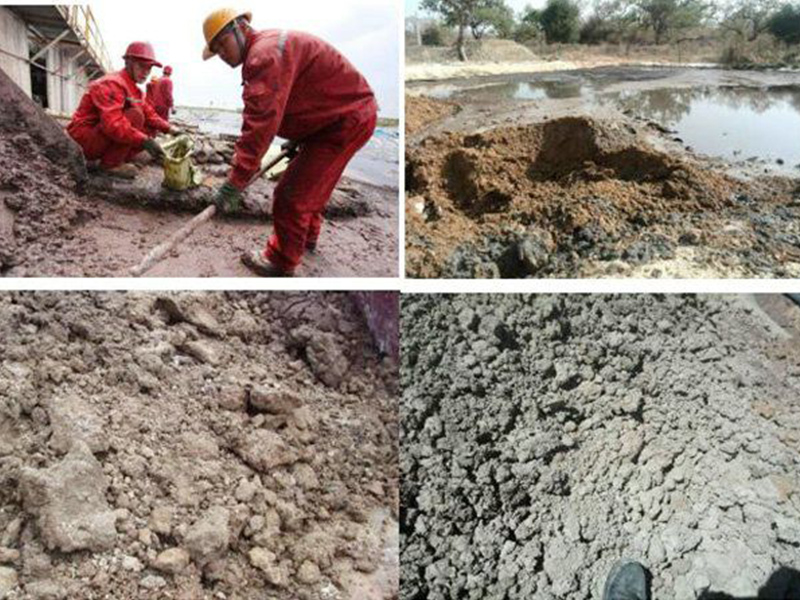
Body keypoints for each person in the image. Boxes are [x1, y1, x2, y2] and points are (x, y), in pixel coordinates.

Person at [201, 8, 378, 277]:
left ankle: (281, 260)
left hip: (342, 124)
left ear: (240, 29)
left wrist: (235, 181)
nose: (222, 55)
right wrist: (298, 137)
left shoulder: (263, 56)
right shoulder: (269, 48)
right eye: (216, 51)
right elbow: (304, 95)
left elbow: (259, 125)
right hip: (337, 120)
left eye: (222, 45)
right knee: (312, 187)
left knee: (291, 195)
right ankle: (306, 239)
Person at [67, 42, 179, 177]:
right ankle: (110, 165)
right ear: (128, 63)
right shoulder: (112, 83)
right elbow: (113, 124)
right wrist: (145, 141)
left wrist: (171, 129)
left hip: (96, 135)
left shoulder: (133, 88)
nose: (146, 72)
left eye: (149, 68)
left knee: (148, 125)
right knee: (135, 117)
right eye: (141, 66)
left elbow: (149, 113)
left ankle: (121, 156)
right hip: (83, 141)